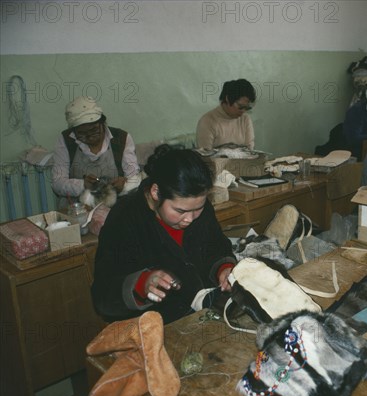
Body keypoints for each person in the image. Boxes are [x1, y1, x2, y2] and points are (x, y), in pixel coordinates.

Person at [91, 145, 237, 323]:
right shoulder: (125, 218)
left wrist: (224, 269)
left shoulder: (199, 208)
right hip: (157, 326)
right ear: (155, 192)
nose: (189, 219)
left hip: (203, 316)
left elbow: (216, 247)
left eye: (197, 209)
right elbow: (103, 296)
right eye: (180, 210)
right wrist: (142, 284)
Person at [51, 96, 141, 209]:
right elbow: (57, 183)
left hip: (115, 209)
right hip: (78, 210)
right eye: (82, 133)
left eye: (93, 130)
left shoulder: (121, 138)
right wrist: (82, 185)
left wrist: (124, 186)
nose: (89, 137)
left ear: (102, 123)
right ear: (74, 131)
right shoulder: (66, 140)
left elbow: (135, 178)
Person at [196, 78, 257, 150]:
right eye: (240, 107)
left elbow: (250, 151)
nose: (243, 111)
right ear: (228, 99)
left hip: (243, 161)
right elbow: (205, 157)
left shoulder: (245, 119)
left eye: (247, 108)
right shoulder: (208, 121)